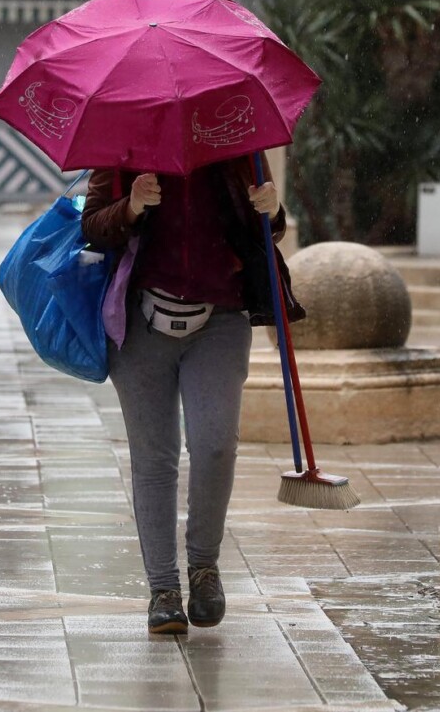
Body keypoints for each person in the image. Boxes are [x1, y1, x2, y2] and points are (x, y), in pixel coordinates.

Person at [82, 158, 285, 635]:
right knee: (154, 459)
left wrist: (272, 211)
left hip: (221, 320)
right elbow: (92, 228)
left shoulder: (235, 139)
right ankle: (163, 590)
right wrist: (130, 207)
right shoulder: (122, 142)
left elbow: (268, 226)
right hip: (138, 323)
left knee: (215, 445)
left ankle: (204, 569)